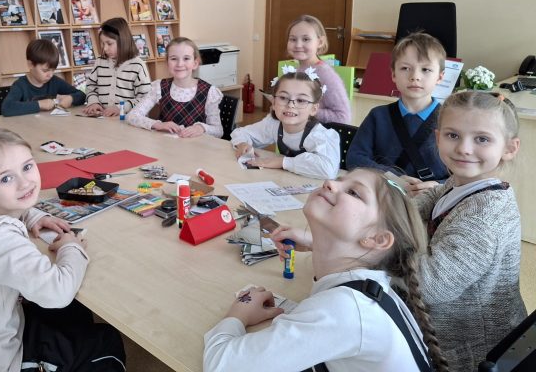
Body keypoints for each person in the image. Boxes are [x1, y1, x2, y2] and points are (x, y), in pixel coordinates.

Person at [203, 168, 447, 372]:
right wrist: (317, 242)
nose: (330, 183)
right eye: (339, 180)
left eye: (353, 192)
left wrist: (238, 314)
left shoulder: (345, 309)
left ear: (377, 239)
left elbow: (221, 365)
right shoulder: (370, 284)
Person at [0, 129, 126, 372]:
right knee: (105, 340)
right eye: (6, 179)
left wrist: (35, 216)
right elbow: (58, 292)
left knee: (74, 312)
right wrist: (71, 246)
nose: (25, 183)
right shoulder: (0, 240)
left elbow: (9, 206)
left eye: (27, 167)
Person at [413, 91, 526, 371]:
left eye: (482, 139)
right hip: (455, 334)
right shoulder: (466, 181)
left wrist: (375, 245)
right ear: (438, 137)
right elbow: (435, 196)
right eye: (453, 135)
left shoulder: (484, 215)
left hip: (470, 351)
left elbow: (430, 284)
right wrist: (392, 214)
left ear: (509, 148)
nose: (464, 148)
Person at [347, 32, 448, 195]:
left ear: (440, 77)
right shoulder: (378, 116)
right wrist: (392, 177)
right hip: (384, 196)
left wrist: (439, 186)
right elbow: (355, 157)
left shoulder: (450, 121)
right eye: (405, 68)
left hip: (432, 200)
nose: (415, 77)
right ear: (393, 74)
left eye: (426, 69)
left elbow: (465, 171)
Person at [231, 68, 339, 180]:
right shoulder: (274, 124)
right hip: (286, 181)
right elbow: (241, 133)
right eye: (283, 98)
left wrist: (282, 162)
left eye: (300, 100)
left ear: (314, 109)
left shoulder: (320, 136)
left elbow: (328, 169)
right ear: (273, 102)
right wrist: (242, 143)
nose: (290, 105)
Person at [127, 37, 223, 138]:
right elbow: (132, 116)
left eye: (186, 58)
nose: (180, 64)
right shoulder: (159, 87)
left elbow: (218, 131)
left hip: (196, 147)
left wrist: (202, 128)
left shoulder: (209, 92)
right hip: (166, 145)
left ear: (195, 63)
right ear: (167, 63)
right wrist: (158, 124)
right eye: (173, 59)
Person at [286, 15, 351, 124]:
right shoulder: (297, 69)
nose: (298, 45)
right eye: (293, 39)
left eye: (306, 39)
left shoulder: (325, 74)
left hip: (316, 133)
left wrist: (306, 111)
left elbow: (343, 117)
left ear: (320, 42)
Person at [83, 17, 151, 117]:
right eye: (103, 43)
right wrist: (93, 102)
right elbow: (90, 87)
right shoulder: (100, 62)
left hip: (127, 120)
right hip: (103, 120)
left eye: (109, 43)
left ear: (123, 41)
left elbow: (146, 99)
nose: (105, 48)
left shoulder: (137, 65)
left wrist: (121, 108)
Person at [2, 39, 86, 116]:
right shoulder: (20, 85)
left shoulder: (54, 81)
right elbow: (7, 108)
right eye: (45, 70)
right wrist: (39, 104)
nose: (50, 75)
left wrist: (71, 99)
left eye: (53, 70)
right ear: (30, 65)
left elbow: (82, 95)